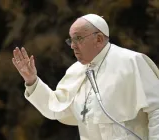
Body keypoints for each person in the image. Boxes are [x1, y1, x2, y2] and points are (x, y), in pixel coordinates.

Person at [12, 14, 159, 140]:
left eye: (78, 39)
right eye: (71, 40)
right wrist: (31, 80)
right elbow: (55, 109)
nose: (72, 46)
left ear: (99, 39)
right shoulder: (76, 71)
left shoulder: (132, 62)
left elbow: (156, 109)